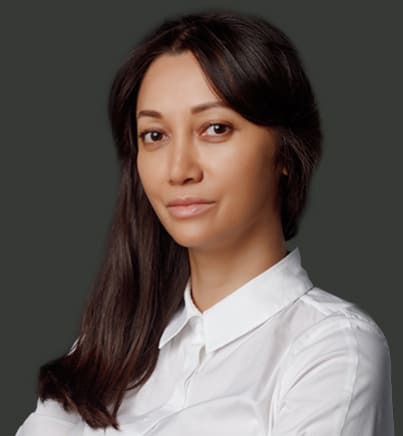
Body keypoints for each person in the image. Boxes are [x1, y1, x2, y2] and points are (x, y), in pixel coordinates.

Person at [16, 9, 394, 436]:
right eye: (155, 135)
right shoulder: (104, 350)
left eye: (215, 128)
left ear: (285, 152)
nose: (179, 170)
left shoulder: (332, 350)